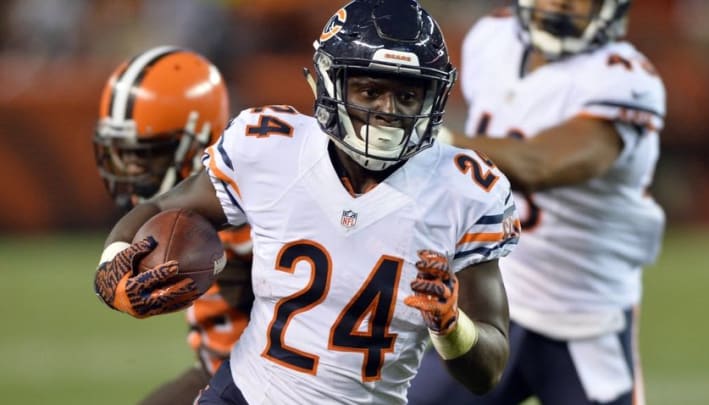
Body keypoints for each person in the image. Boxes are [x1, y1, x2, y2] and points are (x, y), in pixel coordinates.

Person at [92, 1, 522, 404]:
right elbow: (158, 210)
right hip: (247, 393)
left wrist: (452, 327)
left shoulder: (465, 189)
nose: (388, 111)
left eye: (406, 96)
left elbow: (488, 371)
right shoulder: (270, 147)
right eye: (371, 91)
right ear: (330, 82)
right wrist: (112, 265)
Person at [408, 1, 666, 404]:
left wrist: (436, 141)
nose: (560, 3)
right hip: (495, 295)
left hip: (584, 317)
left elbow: (539, 165)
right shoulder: (491, 39)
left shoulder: (626, 78)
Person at [93, 46, 254, 404]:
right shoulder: (176, 210)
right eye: (122, 153)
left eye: (145, 154)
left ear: (198, 140)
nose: (130, 170)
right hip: (218, 371)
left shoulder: (256, 206)